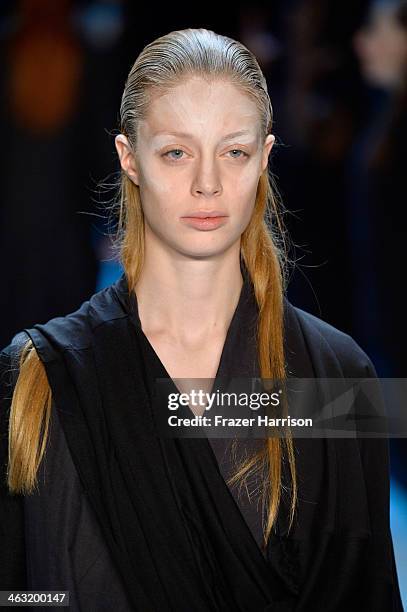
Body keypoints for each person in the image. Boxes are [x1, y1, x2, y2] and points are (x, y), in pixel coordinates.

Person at [0, 28, 403, 612]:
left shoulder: (340, 380)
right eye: (176, 152)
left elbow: (367, 594)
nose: (207, 183)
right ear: (128, 158)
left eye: (233, 151)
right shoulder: (37, 378)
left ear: (264, 159)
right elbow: (21, 592)